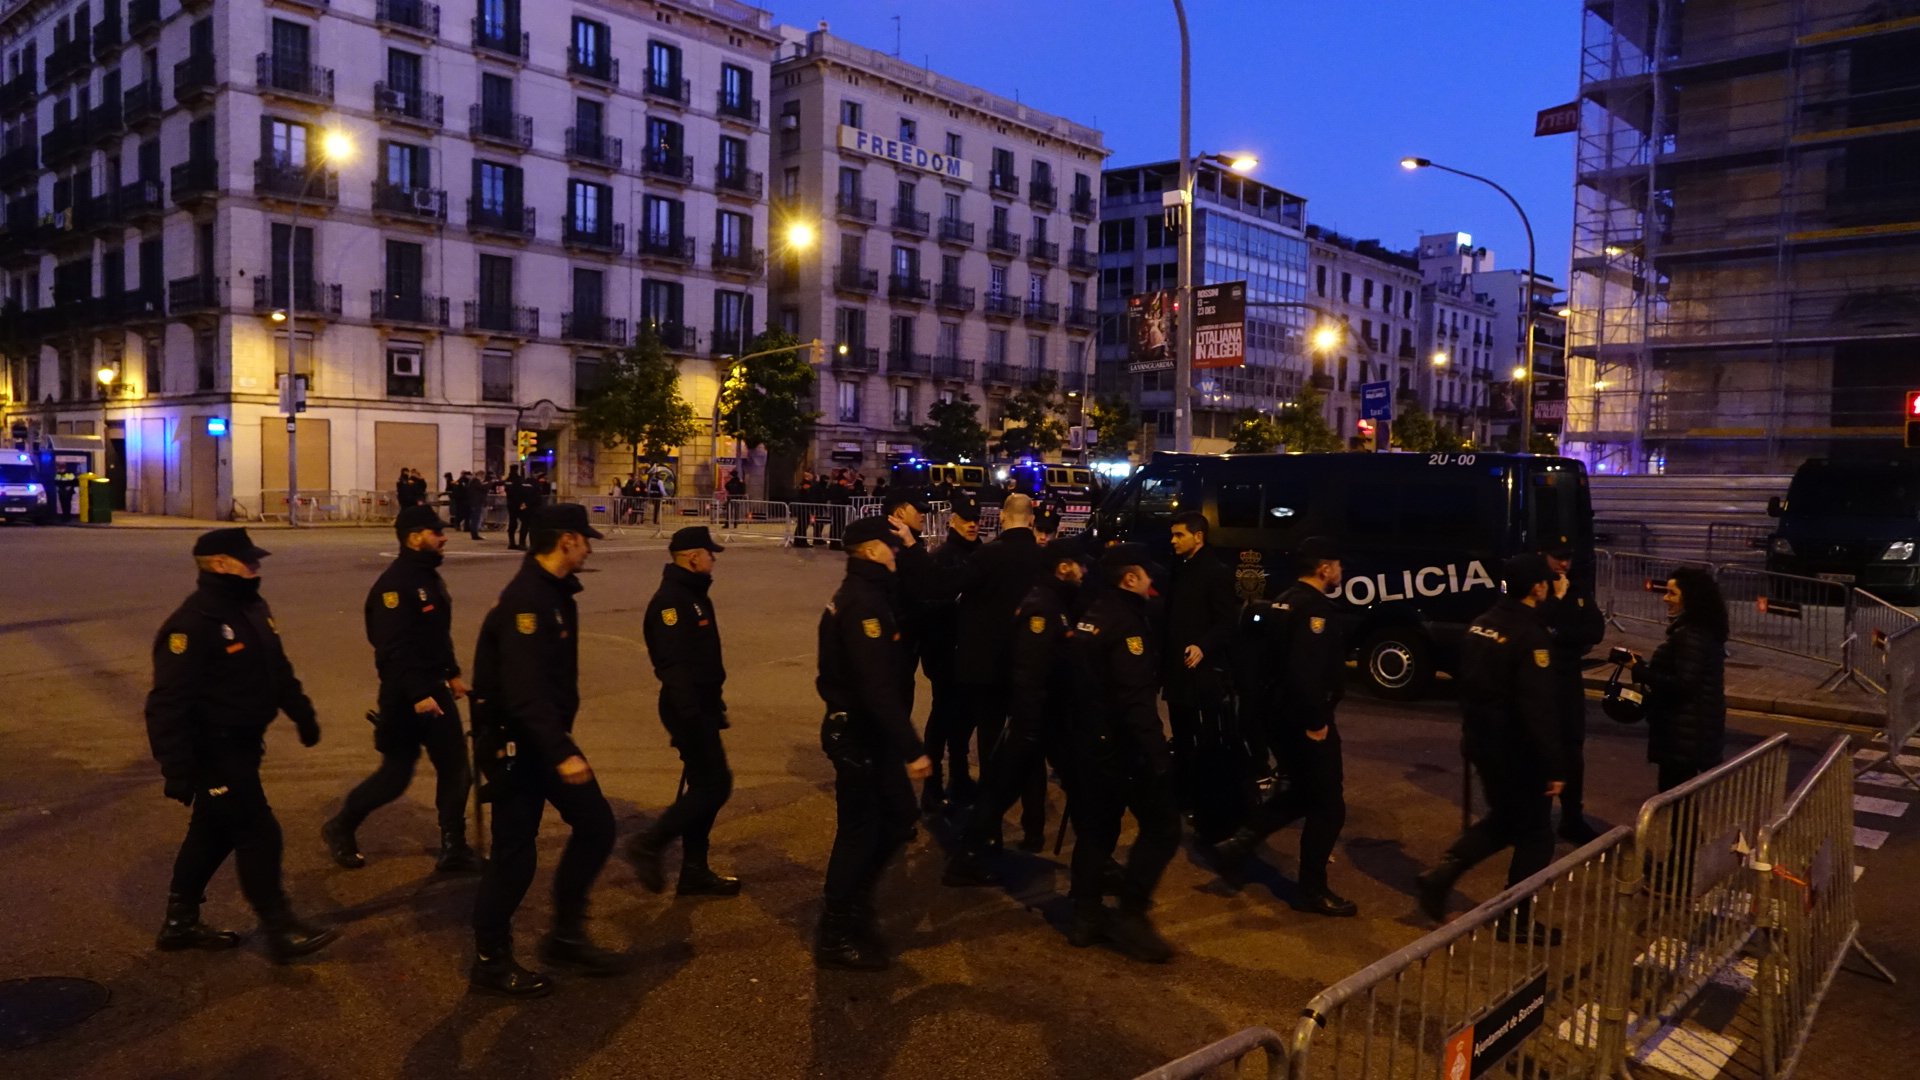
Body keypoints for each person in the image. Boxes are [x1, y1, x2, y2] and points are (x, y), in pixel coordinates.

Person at [145, 528, 337, 962]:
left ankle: (180, 922)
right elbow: (166, 703)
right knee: (258, 832)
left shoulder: (251, 608)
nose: (256, 565)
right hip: (212, 751)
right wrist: (177, 768)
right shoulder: (194, 623)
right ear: (217, 564)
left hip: (245, 744)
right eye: (246, 559)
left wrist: (301, 712)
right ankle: (280, 927)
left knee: (213, 832)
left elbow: (277, 667)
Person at [469, 504, 622, 996]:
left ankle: (565, 934)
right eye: (585, 539)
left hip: (544, 738)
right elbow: (523, 691)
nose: (590, 548)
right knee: (514, 856)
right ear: (566, 541)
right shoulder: (529, 601)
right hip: (522, 745)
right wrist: (562, 752)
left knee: (596, 825)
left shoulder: (554, 593)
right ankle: (491, 959)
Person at [322, 505, 483, 875]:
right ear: (414, 538)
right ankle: (340, 826)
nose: (443, 537)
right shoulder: (395, 586)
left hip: (432, 687)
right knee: (395, 775)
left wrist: (452, 672)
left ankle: (453, 846)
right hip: (406, 695)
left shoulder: (427, 577)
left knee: (456, 767)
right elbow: (391, 649)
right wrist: (417, 694)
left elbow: (435, 635)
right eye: (435, 532)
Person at [1416, 554, 1564, 943]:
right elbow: (1538, 708)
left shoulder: (1482, 624)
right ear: (1537, 588)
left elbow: (1469, 687)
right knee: (1536, 835)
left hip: (1484, 743)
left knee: (1505, 820)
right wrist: (1554, 765)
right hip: (1518, 752)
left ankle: (1441, 875)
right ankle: (1515, 920)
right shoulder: (1530, 635)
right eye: (1545, 582)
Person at [1211, 536, 1357, 917]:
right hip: (1303, 720)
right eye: (1337, 565)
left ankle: (1240, 843)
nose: (1341, 572)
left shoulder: (1280, 601)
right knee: (1328, 806)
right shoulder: (1313, 610)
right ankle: (1312, 890)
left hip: (1274, 716)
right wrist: (1316, 722)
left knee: (1305, 793)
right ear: (1324, 569)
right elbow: (1305, 673)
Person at [814, 514, 932, 970]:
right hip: (859, 732)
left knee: (900, 815)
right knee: (859, 830)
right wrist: (912, 748)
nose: (895, 551)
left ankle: (857, 899)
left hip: (872, 731)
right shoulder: (863, 603)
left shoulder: (874, 594)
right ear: (868, 551)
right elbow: (876, 686)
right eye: (889, 545)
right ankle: (836, 930)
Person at [1062, 543, 1181, 962]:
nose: (1152, 580)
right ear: (1130, 579)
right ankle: (1130, 914)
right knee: (1164, 827)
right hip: (1120, 747)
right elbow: (1135, 701)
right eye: (1146, 574)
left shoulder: (1091, 614)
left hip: (1087, 740)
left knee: (1097, 830)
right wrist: (1159, 755)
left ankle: (1085, 917)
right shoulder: (1126, 625)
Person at [945, 538, 1087, 885]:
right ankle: (968, 857)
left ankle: (1097, 857)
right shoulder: (1043, 607)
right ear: (1063, 567)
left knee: (1077, 785)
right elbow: (1029, 670)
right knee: (1000, 791)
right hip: (1035, 719)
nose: (1084, 571)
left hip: (1044, 718)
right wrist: (1029, 723)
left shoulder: (1055, 601)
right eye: (1078, 564)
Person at [627, 526, 741, 898]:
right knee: (715, 784)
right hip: (686, 707)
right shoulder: (673, 602)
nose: (713, 559)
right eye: (709, 553)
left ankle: (694, 870)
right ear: (692, 557)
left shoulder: (692, 593)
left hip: (700, 703)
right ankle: (650, 842)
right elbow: (673, 665)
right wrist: (693, 714)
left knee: (703, 787)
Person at [951, 494, 1047, 832]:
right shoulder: (1043, 559)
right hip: (1030, 666)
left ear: (1003, 517)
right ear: (1031, 519)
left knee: (991, 741)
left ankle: (988, 822)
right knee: (1031, 745)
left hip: (988, 667)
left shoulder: (986, 556)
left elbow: (950, 588)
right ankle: (1034, 822)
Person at [1161, 512, 1240, 815]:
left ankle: (1203, 799)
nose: (1173, 541)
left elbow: (1226, 622)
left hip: (1200, 674)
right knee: (1181, 736)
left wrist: (1203, 646)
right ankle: (1183, 796)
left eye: (1179, 535)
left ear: (1198, 536)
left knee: (1203, 738)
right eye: (1172, 535)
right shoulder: (1180, 568)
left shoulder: (1215, 572)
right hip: (1177, 671)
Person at [1632, 566, 1729, 792]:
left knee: (1675, 803)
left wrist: (1640, 671)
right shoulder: (1700, 630)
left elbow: (1684, 684)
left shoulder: (1691, 634)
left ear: (1690, 598)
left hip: (1683, 737)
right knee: (1681, 804)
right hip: (1690, 734)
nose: (1665, 598)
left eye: (1672, 593)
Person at [917, 498, 981, 814]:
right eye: (967, 519)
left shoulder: (980, 555)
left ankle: (959, 778)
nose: (973, 524)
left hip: (968, 654)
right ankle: (932, 786)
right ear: (953, 519)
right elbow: (929, 609)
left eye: (977, 519)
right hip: (945, 655)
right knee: (942, 721)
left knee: (964, 722)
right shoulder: (943, 558)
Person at [1540, 538, 1606, 842]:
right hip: (1541, 681)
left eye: (1568, 558)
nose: (1564, 564)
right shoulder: (1537, 589)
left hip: (1568, 680)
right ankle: (1537, 818)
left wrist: (1561, 633)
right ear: (1544, 555)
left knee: (1572, 750)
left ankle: (1572, 818)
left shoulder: (1577, 589)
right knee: (1540, 748)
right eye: (1558, 557)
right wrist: (1556, 604)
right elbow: (1539, 632)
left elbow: (1595, 630)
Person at [504, 466, 530, 550]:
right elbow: (523, 491)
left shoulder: (508, 480)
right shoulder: (519, 479)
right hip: (518, 504)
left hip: (510, 504)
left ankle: (512, 543)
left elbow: (507, 490)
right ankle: (522, 543)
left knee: (512, 523)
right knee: (525, 522)